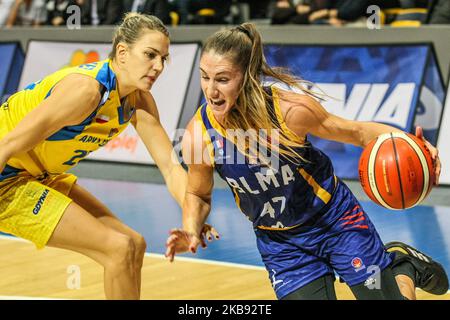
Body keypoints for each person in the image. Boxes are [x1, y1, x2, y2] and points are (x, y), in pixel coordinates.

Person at [165, 22, 449, 300]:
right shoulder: (198, 135)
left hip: (334, 221)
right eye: (205, 77)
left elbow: (358, 132)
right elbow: (198, 194)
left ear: (248, 75)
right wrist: (190, 229)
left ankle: (402, 266)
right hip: (282, 245)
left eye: (223, 79)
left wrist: (416, 145)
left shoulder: (290, 111)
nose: (211, 90)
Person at [0, 13, 217, 300]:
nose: (158, 66)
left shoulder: (138, 100)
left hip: (38, 175)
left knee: (135, 244)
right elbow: (8, 144)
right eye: (150, 55)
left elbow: (170, 168)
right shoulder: (86, 91)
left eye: (164, 59)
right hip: (8, 176)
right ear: (122, 53)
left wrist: (192, 219)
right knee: (118, 248)